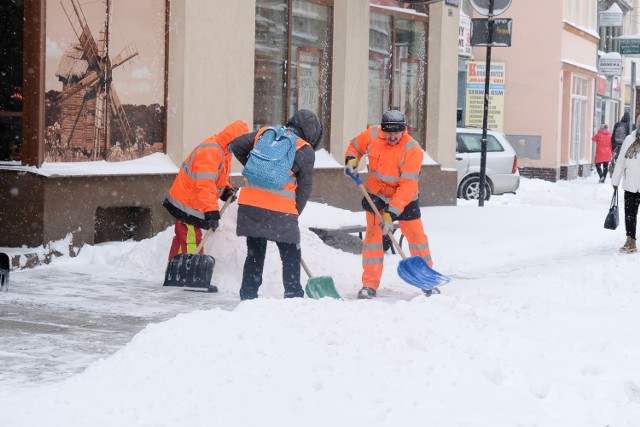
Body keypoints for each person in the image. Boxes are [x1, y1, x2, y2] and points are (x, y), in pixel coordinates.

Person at [230, 109, 323, 300]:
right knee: (290, 254)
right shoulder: (304, 149)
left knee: (255, 254)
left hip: (251, 203)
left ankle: (248, 296)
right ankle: (293, 294)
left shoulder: (265, 134)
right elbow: (304, 189)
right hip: (281, 209)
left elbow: (236, 145)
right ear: (312, 132)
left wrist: (255, 167)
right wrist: (295, 212)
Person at [344, 110, 433, 299]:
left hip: (404, 198)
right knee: (372, 240)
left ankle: (427, 281)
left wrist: (391, 213)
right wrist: (352, 160)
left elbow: (407, 186)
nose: (392, 137)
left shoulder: (412, 150)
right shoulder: (373, 134)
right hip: (375, 194)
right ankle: (369, 284)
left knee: (417, 238)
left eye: (396, 133)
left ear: (404, 130)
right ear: (383, 130)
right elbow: (354, 147)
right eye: (388, 133)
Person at [163, 120, 249, 263]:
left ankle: (174, 272)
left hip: (192, 200)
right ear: (234, 139)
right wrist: (211, 212)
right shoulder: (211, 150)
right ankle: (189, 275)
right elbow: (204, 185)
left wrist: (225, 191)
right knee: (191, 239)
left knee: (182, 238)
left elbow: (217, 179)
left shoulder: (224, 151)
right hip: (188, 202)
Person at [611, 116, 640, 254]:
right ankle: (631, 240)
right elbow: (621, 161)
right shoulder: (629, 139)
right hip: (630, 185)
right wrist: (615, 181)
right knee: (630, 215)